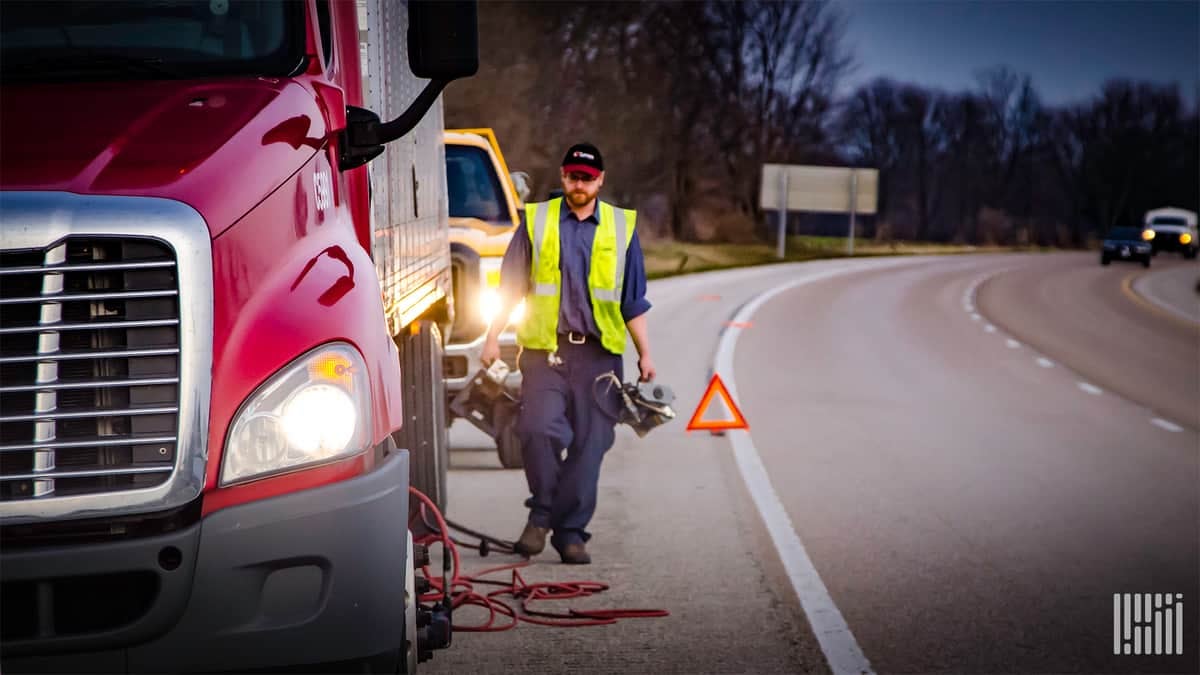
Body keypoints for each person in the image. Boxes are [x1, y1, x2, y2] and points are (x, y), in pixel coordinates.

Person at [481, 142, 655, 564]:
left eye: (587, 178)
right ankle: (542, 515)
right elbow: (511, 285)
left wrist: (645, 354)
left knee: (591, 445)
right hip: (546, 352)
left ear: (601, 180)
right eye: (573, 176)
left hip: (600, 357)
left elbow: (633, 300)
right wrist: (492, 336)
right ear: (563, 177)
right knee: (538, 430)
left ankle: (569, 533)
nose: (579, 184)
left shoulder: (621, 227)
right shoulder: (537, 221)